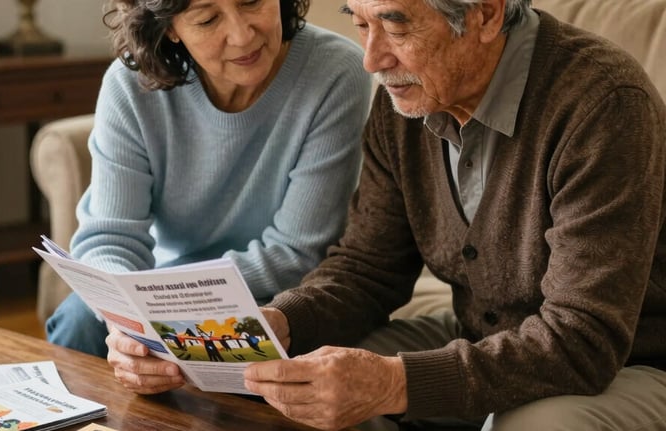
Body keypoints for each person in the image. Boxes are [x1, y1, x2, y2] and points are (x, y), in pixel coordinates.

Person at [108, 0, 666, 429]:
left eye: (396, 26)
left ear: (486, 13)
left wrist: (394, 384)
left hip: (631, 362)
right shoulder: (406, 99)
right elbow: (366, 271)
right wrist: (271, 325)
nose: (372, 59)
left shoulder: (603, 104)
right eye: (360, 23)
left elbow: (583, 340)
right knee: (279, 375)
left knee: (538, 423)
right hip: (486, 338)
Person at [45, 0, 372, 357]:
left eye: (252, 2)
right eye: (208, 19)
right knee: (79, 321)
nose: (242, 35)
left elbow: (298, 251)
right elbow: (108, 239)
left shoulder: (335, 70)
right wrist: (127, 322)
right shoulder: (130, 85)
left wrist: (176, 300)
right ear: (169, 27)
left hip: (275, 293)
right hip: (159, 289)